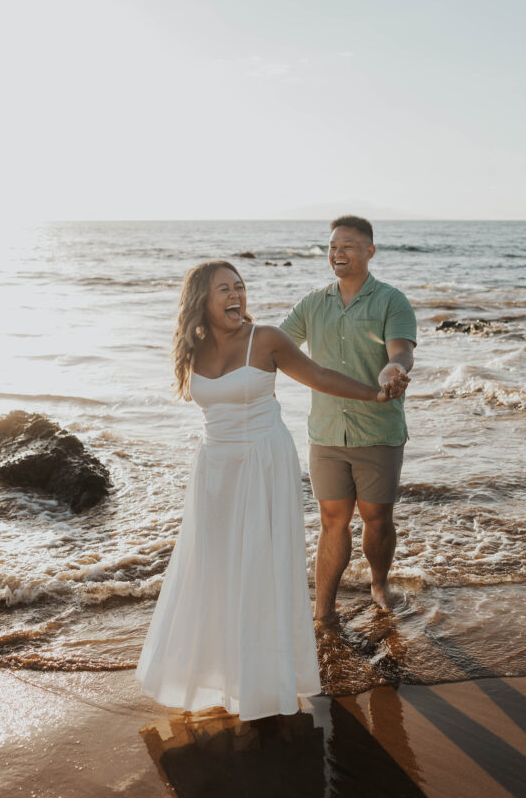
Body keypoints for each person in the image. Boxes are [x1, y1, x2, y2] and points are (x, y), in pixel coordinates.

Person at [136, 260, 394, 722]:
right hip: (214, 467)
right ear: (201, 301)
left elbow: (319, 377)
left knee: (260, 563)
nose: (237, 295)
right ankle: (218, 673)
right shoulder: (191, 348)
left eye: (240, 286)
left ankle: (264, 679)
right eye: (224, 289)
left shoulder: (267, 339)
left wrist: (373, 395)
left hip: (263, 460)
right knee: (213, 565)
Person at [280, 216, 416, 622]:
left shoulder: (392, 300)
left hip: (377, 431)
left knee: (377, 520)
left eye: (348, 246)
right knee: (331, 520)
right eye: (333, 246)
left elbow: (401, 352)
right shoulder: (312, 303)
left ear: (370, 251)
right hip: (325, 433)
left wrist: (394, 371)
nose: (338, 254)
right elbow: (276, 346)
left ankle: (378, 581)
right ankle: (324, 611)